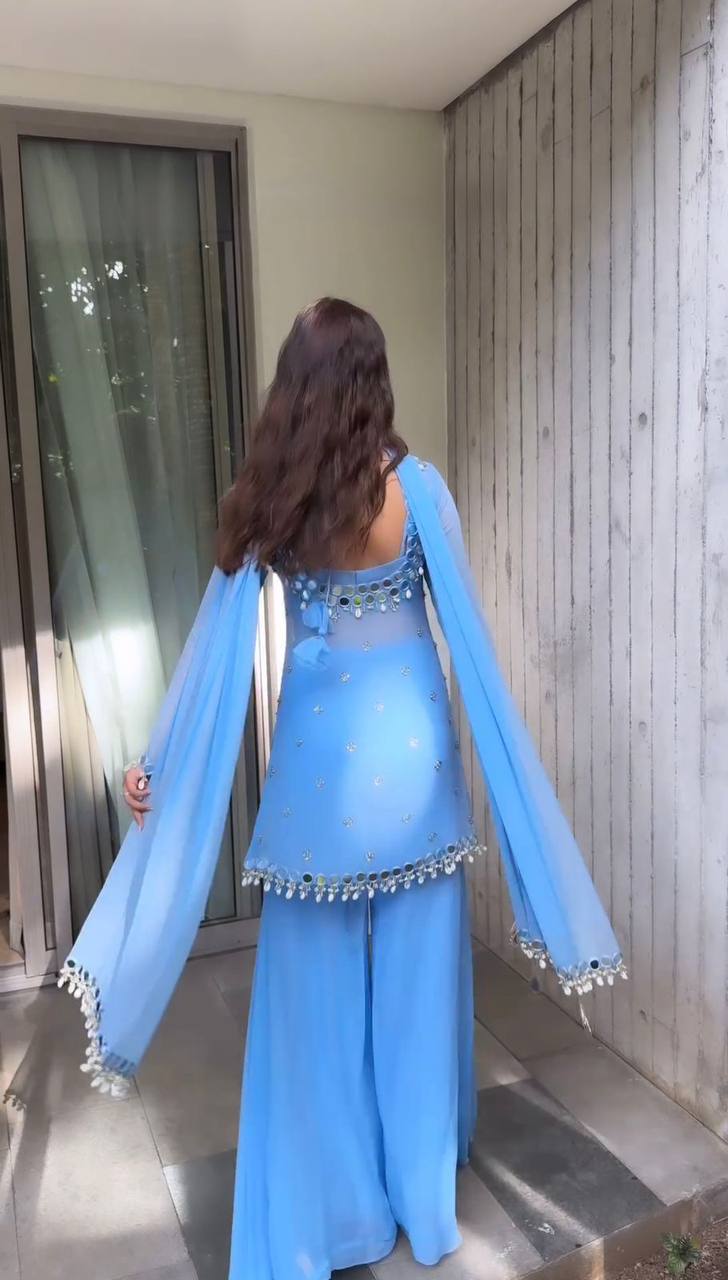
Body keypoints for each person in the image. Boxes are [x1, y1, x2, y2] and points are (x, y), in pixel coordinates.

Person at [61, 298, 625, 1280]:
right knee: (414, 1002)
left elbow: (208, 658)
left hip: (313, 795)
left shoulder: (269, 501)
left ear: (294, 386)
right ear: (372, 382)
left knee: (310, 1015)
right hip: (415, 782)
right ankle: (420, 1206)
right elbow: (465, 638)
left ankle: (326, 1219)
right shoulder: (419, 492)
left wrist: (158, 760)